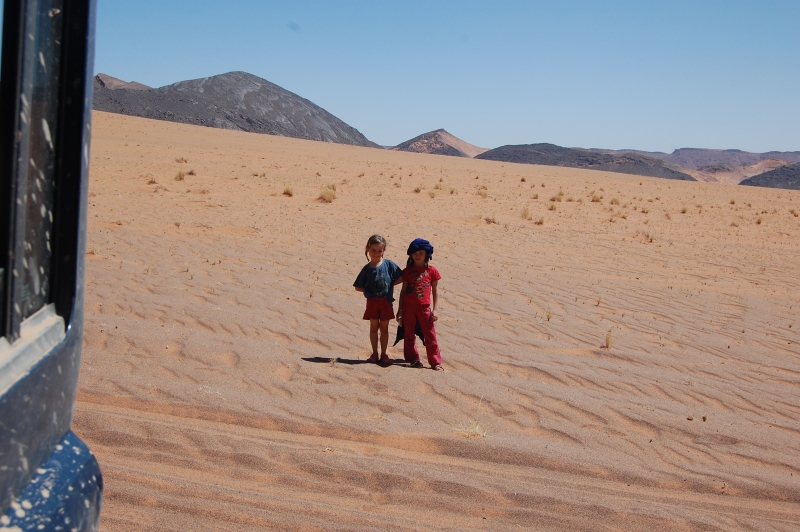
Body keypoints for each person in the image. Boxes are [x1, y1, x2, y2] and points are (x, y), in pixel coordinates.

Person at [353, 235, 404, 365]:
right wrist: (370, 291)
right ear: (367, 249)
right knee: (373, 328)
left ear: (384, 251)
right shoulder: (367, 269)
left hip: (386, 302)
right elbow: (358, 287)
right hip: (372, 303)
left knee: (385, 329)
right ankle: (374, 353)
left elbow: (401, 277)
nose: (376, 253)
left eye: (379, 251)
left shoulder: (389, 264)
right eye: (373, 250)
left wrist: (390, 285)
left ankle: (384, 353)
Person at [397, 238, 443, 370]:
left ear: (427, 255)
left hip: (424, 308)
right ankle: (413, 359)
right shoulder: (407, 271)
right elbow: (403, 291)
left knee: (430, 335)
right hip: (408, 307)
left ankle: (435, 362)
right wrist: (400, 310)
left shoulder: (432, 271)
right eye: (415, 253)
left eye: (420, 253)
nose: (417, 256)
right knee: (409, 334)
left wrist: (435, 309)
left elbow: (435, 291)